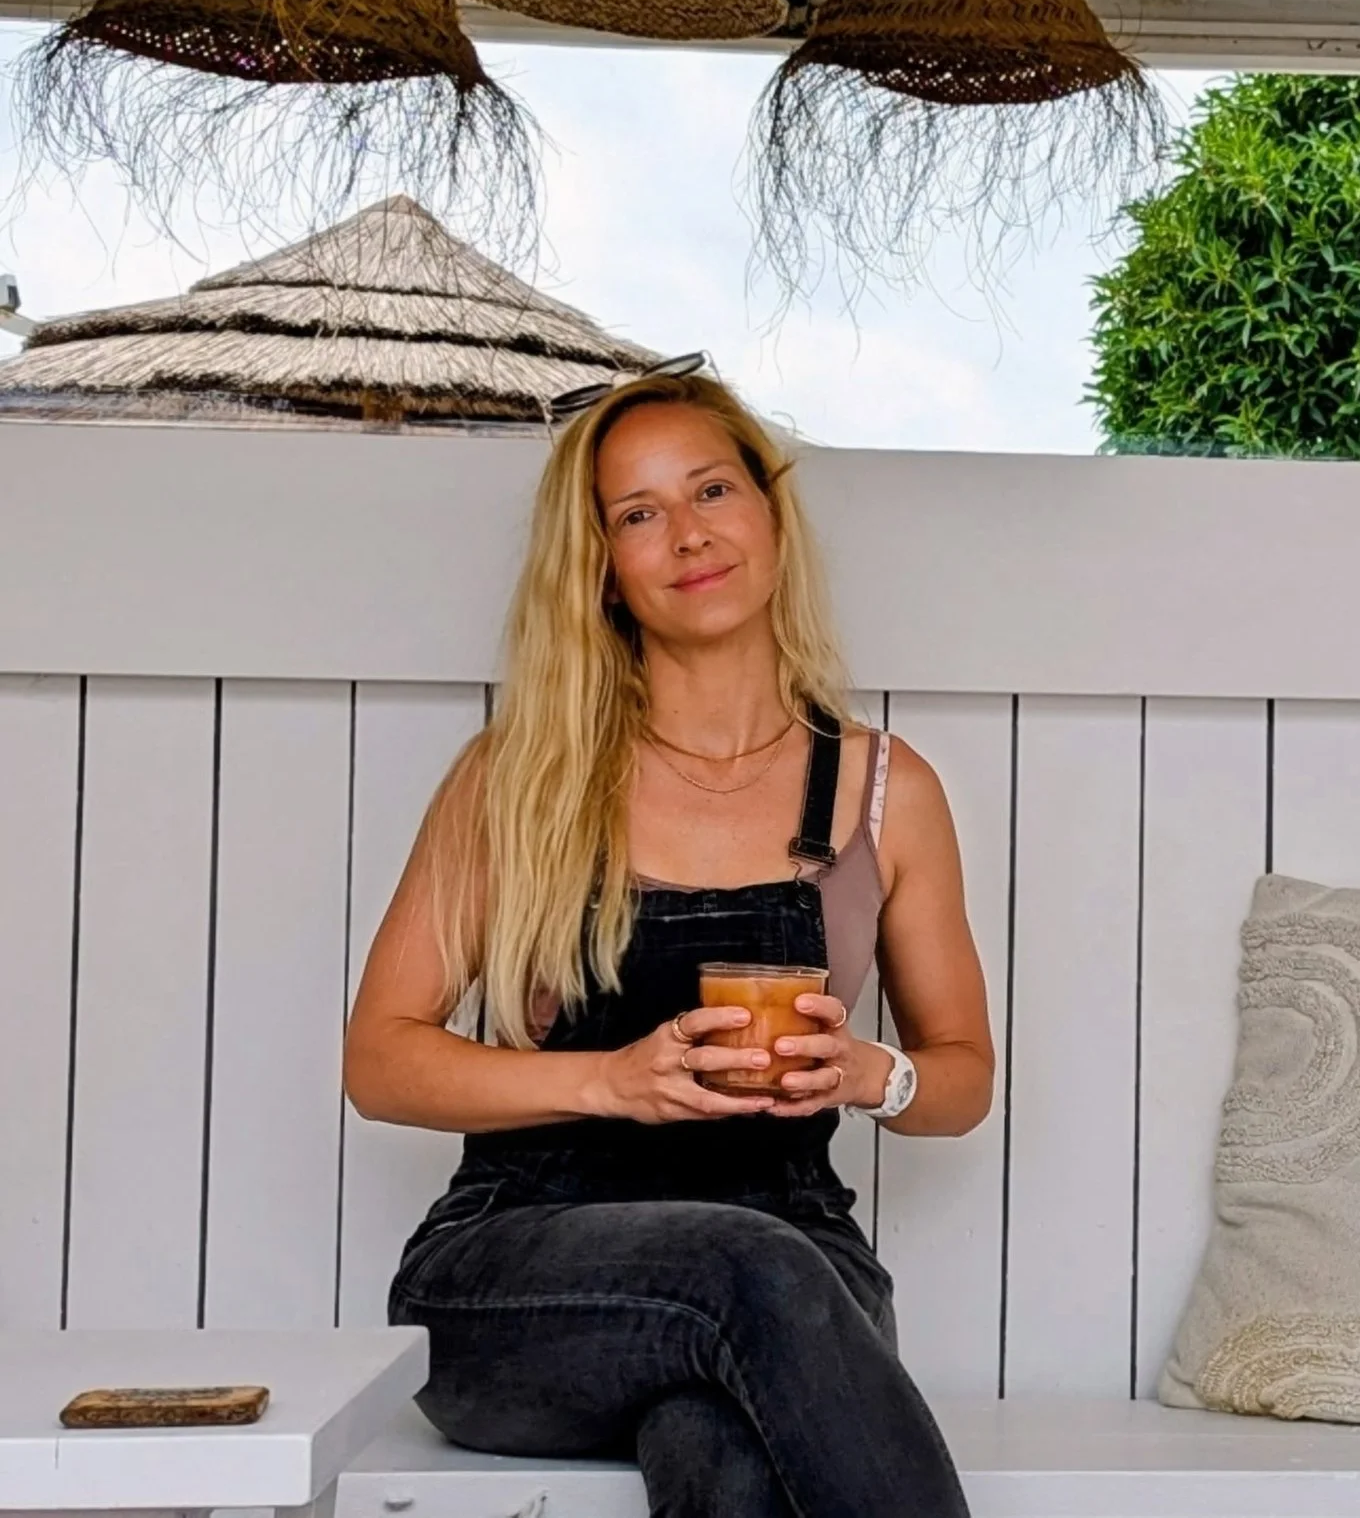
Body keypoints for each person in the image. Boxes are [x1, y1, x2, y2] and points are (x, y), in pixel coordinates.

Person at [344, 366, 990, 1518]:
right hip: (520, 1279)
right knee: (747, 1270)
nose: (687, 535)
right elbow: (380, 1061)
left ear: (770, 513)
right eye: (638, 514)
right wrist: (611, 1081)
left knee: (724, 1446)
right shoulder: (520, 780)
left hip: (795, 1266)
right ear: (599, 567)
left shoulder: (887, 791)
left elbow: (962, 1079)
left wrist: (869, 1073)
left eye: (710, 491)